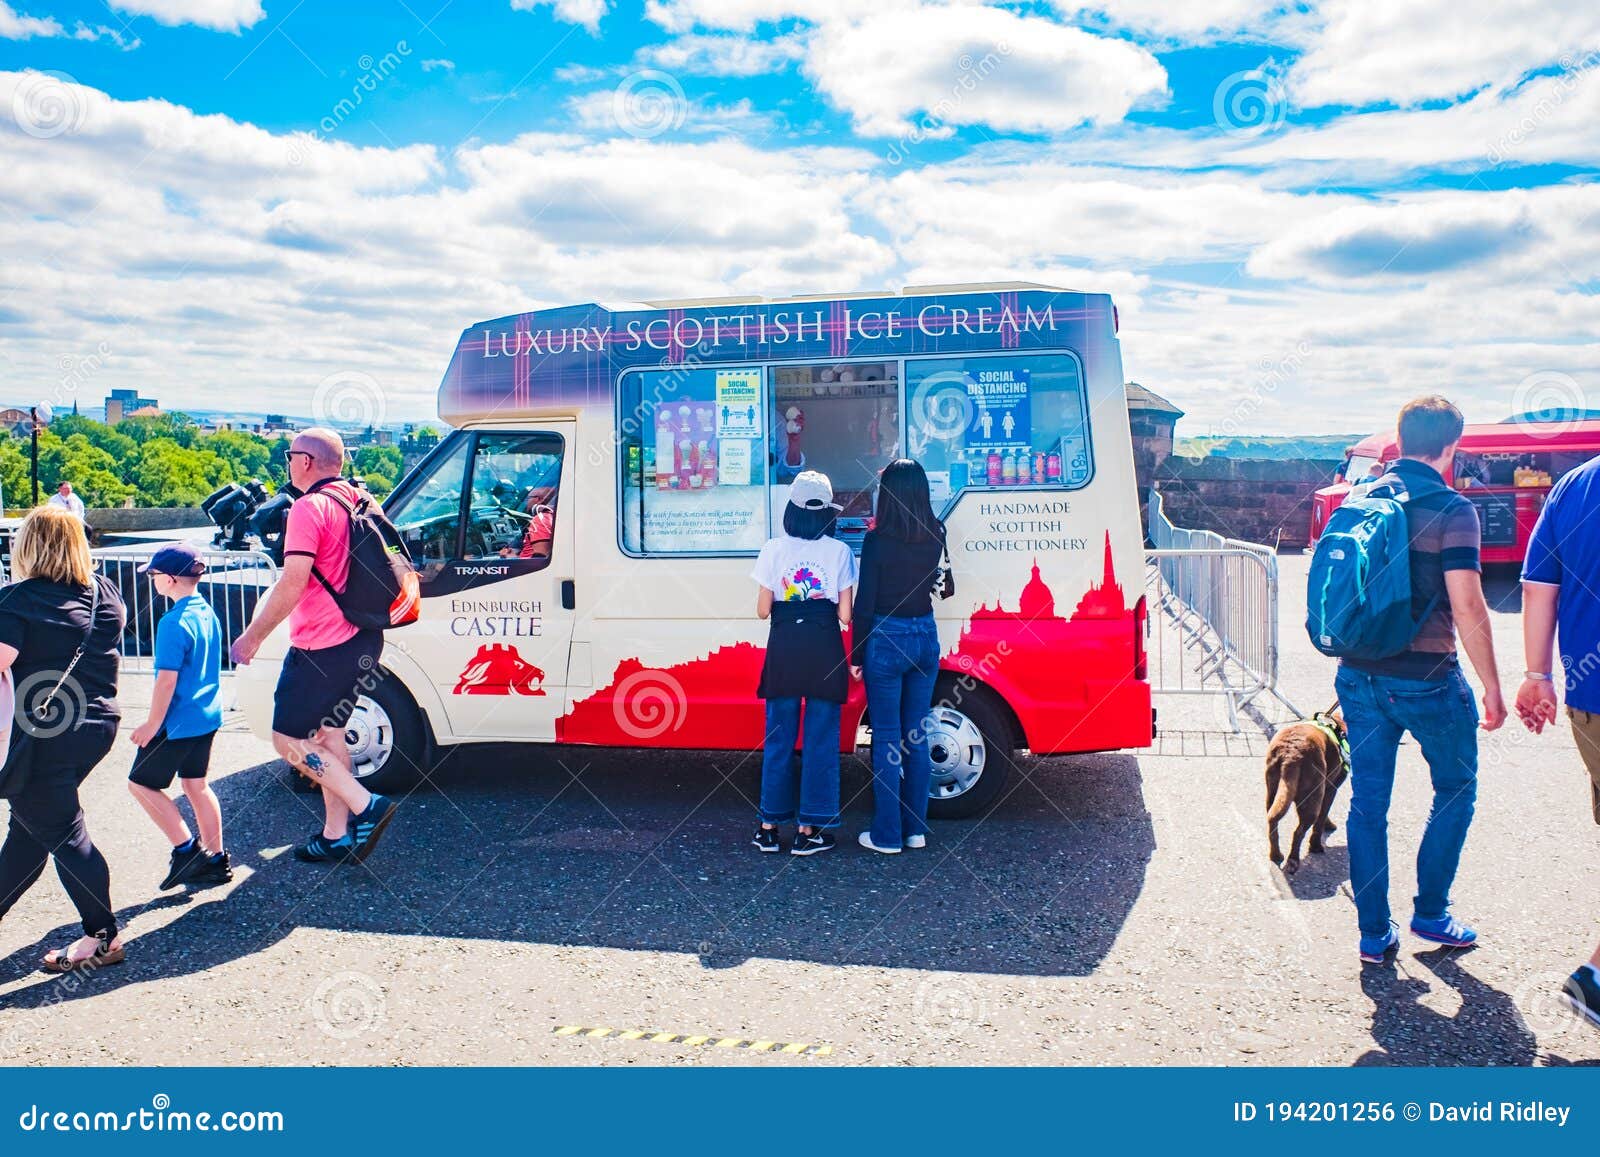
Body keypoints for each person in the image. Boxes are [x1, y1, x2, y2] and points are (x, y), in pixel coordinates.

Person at [1333, 396, 1505, 965]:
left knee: (1367, 804)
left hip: (1357, 673)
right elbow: (1468, 605)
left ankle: (1373, 934)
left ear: (1399, 442)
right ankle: (1431, 912)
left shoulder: (1362, 497)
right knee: (1455, 789)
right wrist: (1494, 687)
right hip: (1427, 676)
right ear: (1453, 446)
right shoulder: (1453, 509)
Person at [230, 428, 398, 864]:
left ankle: (367, 804)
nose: (289, 463)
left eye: (291, 456)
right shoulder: (360, 499)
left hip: (321, 648)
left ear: (304, 461)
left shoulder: (309, 508)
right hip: (364, 637)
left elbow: (292, 584)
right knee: (330, 732)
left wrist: (252, 638)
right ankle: (336, 834)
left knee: (287, 740)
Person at [0, 505, 127, 970]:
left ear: (29, 546)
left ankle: (103, 936)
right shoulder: (104, 592)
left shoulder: (20, 600)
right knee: (31, 833)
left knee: (63, 830)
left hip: (43, 734)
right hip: (95, 725)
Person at [1515, 452, 1600, 1028]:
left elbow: (1538, 587)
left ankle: (1593, 977)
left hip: (1589, 700)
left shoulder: (1574, 485)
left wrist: (1537, 674)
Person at [751, 470, 855, 856]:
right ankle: (809, 828)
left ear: (791, 510)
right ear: (827, 513)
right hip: (824, 650)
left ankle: (768, 826)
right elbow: (846, 616)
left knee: (779, 737)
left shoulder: (773, 549)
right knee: (820, 739)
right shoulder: (840, 552)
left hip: (784, 650)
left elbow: (763, 611)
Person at [850, 459, 945, 854]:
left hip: (887, 637)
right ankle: (915, 830)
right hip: (925, 633)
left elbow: (866, 600)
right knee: (916, 736)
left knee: (887, 739)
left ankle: (887, 835)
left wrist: (856, 653)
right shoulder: (936, 531)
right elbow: (939, 586)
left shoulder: (877, 540)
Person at [126, 542, 230, 890]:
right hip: (207, 716)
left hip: (177, 722)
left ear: (170, 580)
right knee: (196, 785)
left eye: (154, 575)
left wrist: (152, 724)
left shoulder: (173, 622)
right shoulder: (207, 612)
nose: (152, 580)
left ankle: (187, 850)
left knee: (140, 783)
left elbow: (167, 681)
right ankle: (217, 859)